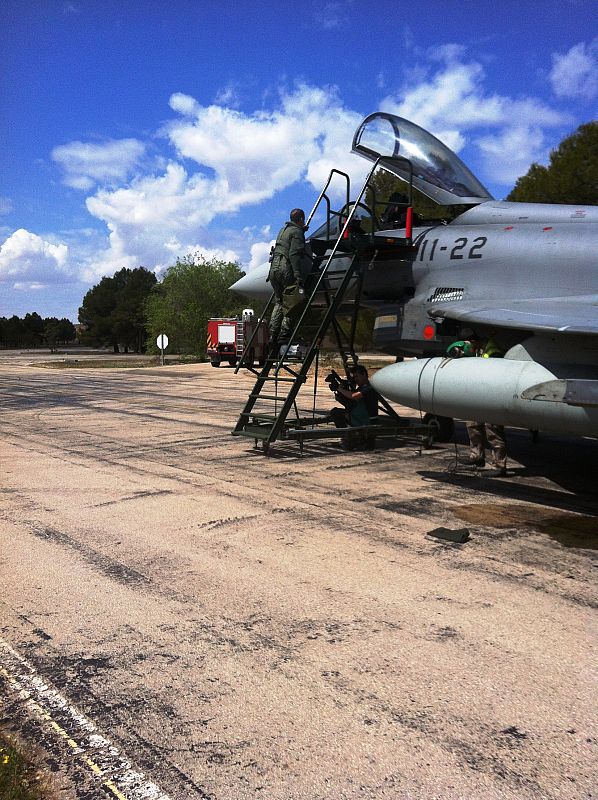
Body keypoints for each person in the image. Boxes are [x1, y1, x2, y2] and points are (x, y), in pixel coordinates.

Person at [449, 328, 508, 477]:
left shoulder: (493, 350)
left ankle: (499, 466)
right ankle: (476, 457)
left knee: (492, 431)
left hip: (492, 396)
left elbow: (496, 374)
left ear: (473, 341)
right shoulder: (475, 351)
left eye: (467, 344)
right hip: (477, 395)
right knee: (472, 425)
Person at [268, 208, 309, 342]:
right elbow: (293, 254)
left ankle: (272, 334)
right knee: (293, 301)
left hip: (273, 270)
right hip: (285, 269)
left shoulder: (283, 230)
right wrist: (297, 274)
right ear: (302, 219)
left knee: (279, 302)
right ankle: (285, 333)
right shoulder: (297, 232)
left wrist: (301, 230)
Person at [329, 365, 379, 450]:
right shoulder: (361, 388)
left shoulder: (370, 388)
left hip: (367, 421)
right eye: (354, 377)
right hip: (359, 418)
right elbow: (349, 402)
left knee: (337, 413)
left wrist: (340, 389)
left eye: (356, 376)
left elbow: (354, 396)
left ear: (363, 374)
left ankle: (352, 440)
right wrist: (340, 390)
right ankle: (349, 439)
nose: (355, 379)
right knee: (336, 412)